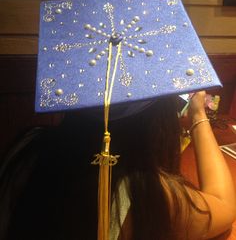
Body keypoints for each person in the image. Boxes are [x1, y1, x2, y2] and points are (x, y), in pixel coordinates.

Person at [0, 91, 235, 240]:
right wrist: (197, 115)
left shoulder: (27, 146)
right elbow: (224, 205)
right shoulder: (144, 192)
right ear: (159, 119)